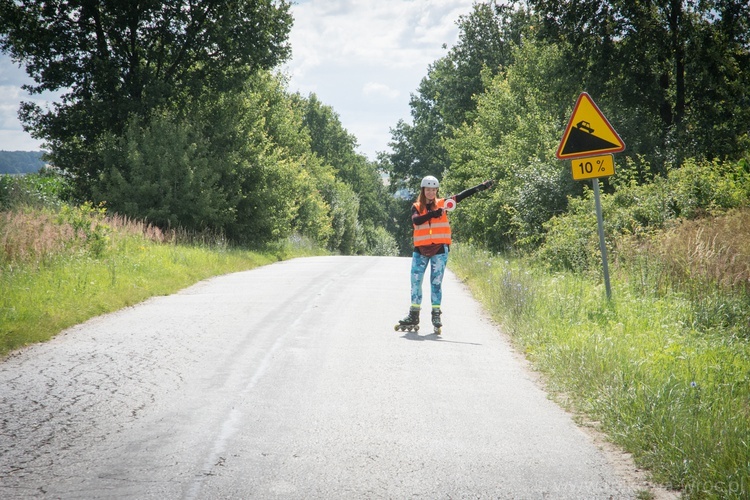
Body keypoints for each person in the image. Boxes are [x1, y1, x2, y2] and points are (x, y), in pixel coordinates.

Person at [396, 175, 494, 334]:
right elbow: (416, 221)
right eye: (428, 189)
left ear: (436, 190)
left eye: (433, 190)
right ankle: (414, 314)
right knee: (415, 281)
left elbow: (462, 195)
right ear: (423, 190)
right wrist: (432, 214)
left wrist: (481, 187)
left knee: (436, 283)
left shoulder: (443, 204)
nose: (430, 192)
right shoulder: (416, 206)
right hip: (421, 249)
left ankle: (436, 315)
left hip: (439, 249)